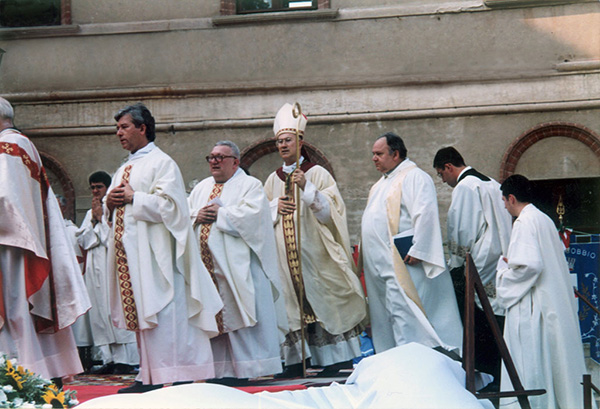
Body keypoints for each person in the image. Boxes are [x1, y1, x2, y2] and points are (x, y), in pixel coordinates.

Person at [104, 103, 223, 393]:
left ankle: (179, 373)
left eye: (125, 127)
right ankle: (148, 374)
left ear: (143, 128)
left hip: (158, 258)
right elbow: (116, 211)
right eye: (117, 128)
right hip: (132, 256)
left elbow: (174, 208)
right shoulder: (124, 166)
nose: (119, 133)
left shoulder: (162, 163)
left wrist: (135, 198)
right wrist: (110, 204)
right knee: (144, 315)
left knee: (167, 317)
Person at [264, 103, 366, 378]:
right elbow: (259, 214)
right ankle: (296, 361)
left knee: (324, 300)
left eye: (287, 140)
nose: (283, 145)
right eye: (279, 141)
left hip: (315, 254)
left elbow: (332, 211)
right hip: (284, 260)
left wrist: (307, 188)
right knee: (289, 303)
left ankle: (334, 359)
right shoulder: (271, 180)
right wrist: (275, 207)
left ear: (300, 141)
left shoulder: (317, 173)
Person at [0, 96, 91, 384]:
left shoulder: (8, 147)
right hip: (18, 242)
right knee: (21, 311)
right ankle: (36, 374)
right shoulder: (22, 144)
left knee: (16, 310)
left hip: (12, 246)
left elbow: (6, 200)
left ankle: (20, 375)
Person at [188, 141, 286, 385]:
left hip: (240, 268)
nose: (214, 161)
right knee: (211, 317)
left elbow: (255, 218)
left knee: (240, 317)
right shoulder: (201, 188)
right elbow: (187, 214)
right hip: (206, 269)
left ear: (236, 161)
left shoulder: (250, 185)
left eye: (221, 157)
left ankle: (245, 368)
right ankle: (219, 370)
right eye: (211, 157)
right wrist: (195, 216)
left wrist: (221, 213)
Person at [361, 132, 462, 355]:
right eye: (373, 154)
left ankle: (416, 362)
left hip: (405, 263)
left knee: (407, 315)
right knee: (386, 317)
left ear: (395, 154)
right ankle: (392, 363)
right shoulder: (380, 184)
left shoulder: (414, 176)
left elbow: (425, 214)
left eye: (378, 154)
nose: (374, 158)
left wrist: (420, 248)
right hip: (380, 267)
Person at [497, 174, 587, 409]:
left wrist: (504, 271)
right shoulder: (544, 219)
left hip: (536, 305)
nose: (505, 207)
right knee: (556, 360)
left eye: (504, 202)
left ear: (512, 198)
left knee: (536, 361)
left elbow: (530, 265)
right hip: (552, 300)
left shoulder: (524, 222)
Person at [433, 147, 512, 389]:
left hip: (478, 262)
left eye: (441, 174)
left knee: (476, 318)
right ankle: (501, 374)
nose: (443, 180)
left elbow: (462, 229)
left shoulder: (465, 187)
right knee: (496, 316)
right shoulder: (490, 182)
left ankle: (485, 374)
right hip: (499, 258)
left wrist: (455, 263)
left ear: (449, 166)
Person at [76, 171, 139, 375]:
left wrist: (101, 220)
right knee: (100, 312)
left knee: (115, 308)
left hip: (112, 263)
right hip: (95, 267)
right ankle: (108, 358)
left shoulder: (116, 208)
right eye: (92, 187)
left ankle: (127, 360)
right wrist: (94, 220)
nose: (95, 191)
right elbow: (84, 241)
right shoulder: (90, 213)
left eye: (99, 187)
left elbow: (110, 238)